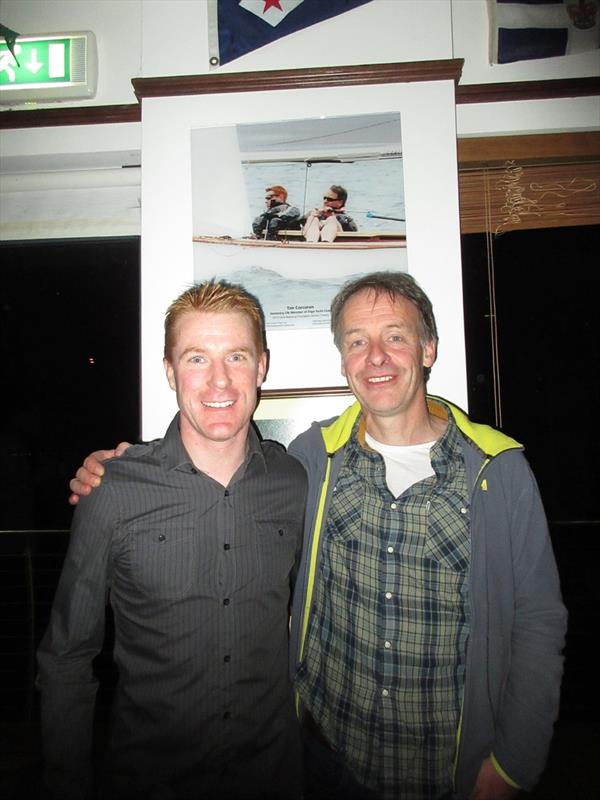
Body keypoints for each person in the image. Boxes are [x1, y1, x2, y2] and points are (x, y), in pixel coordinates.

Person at [70, 272, 567, 800]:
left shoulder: (498, 471)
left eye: (395, 336)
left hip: (450, 774)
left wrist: (512, 765)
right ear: (343, 359)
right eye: (357, 341)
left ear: (427, 349)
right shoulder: (315, 458)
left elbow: (539, 623)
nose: (375, 356)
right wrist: (116, 469)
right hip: (325, 764)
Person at [39, 280, 307, 800]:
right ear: (169, 372)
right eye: (196, 359)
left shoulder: (294, 482)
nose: (219, 381)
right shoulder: (112, 491)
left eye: (236, 355)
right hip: (150, 778)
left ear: (262, 366)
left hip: (273, 776)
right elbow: (67, 657)